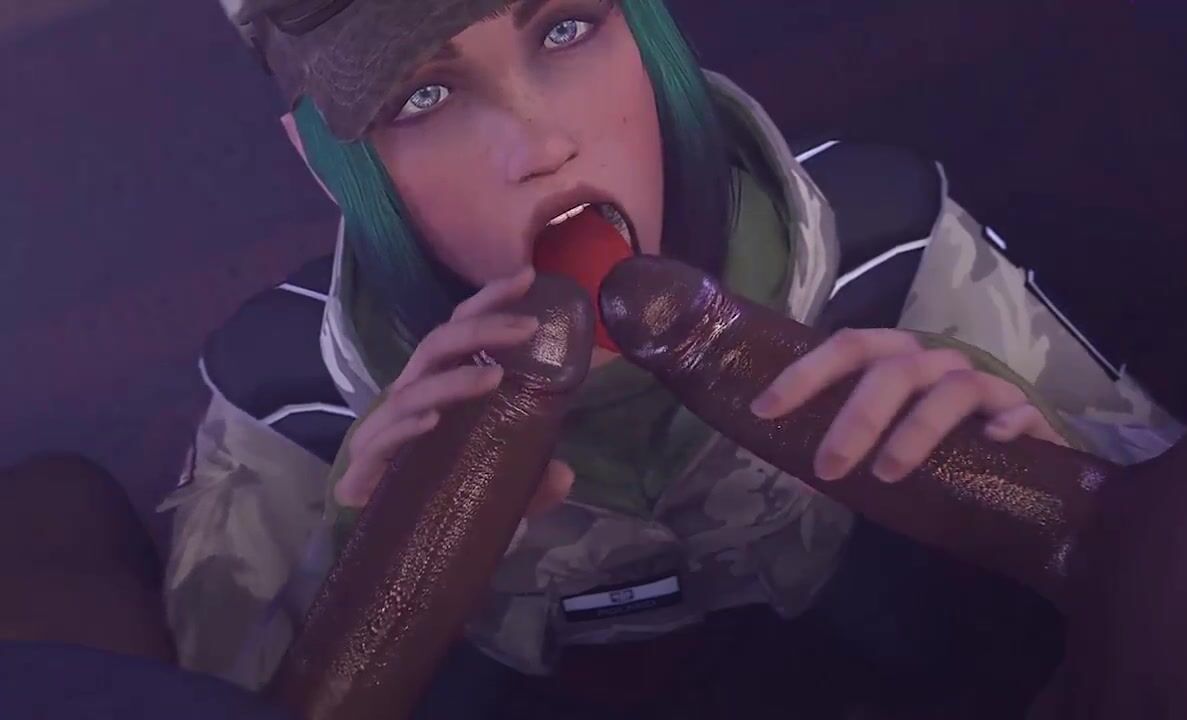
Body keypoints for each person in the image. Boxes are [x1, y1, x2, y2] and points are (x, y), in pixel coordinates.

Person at [160, 0, 1184, 716]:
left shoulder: (892, 242)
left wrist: (1032, 449)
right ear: (325, 164)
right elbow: (202, 690)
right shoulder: (283, 399)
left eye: (566, 28)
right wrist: (356, 562)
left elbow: (1149, 527)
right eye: (419, 98)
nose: (542, 144)